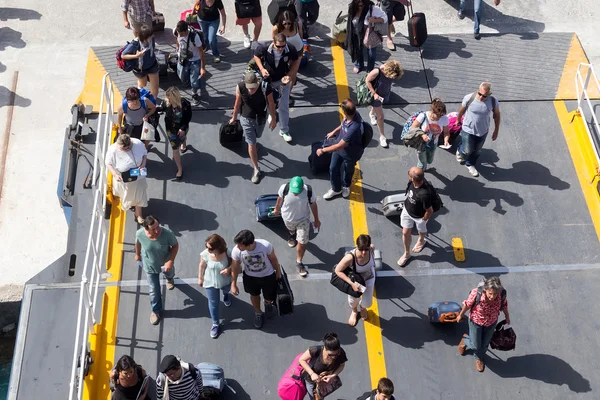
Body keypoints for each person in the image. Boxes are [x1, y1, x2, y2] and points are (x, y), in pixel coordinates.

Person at [230, 72, 277, 184]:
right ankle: (256, 169)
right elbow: (237, 104)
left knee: (258, 135)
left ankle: (254, 146)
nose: (251, 90)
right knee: (251, 143)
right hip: (246, 119)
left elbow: (271, 103)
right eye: (249, 88)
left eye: (253, 88)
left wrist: (273, 118)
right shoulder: (240, 87)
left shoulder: (265, 87)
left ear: (257, 83)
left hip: (260, 118)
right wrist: (234, 118)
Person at [456, 277, 510, 372]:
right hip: (476, 322)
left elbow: (504, 305)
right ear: (486, 290)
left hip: (491, 323)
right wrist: (461, 315)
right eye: (490, 294)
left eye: (495, 294)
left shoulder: (501, 294)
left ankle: (478, 358)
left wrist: (507, 317)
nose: (492, 297)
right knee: (476, 345)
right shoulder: (477, 293)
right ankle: (465, 340)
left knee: (485, 344)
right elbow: (468, 304)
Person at [230, 229, 282, 329]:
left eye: (240, 245)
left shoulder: (265, 246)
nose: (237, 247)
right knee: (254, 295)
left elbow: (274, 259)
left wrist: (278, 272)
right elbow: (235, 267)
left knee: (269, 297)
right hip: (250, 278)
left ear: (249, 244)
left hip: (268, 276)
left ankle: (267, 304)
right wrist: (233, 284)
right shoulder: (237, 251)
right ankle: (258, 313)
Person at [254, 33, 300, 143]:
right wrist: (262, 69)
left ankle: (284, 130)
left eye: (283, 46)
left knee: (284, 106)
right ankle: (271, 113)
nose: (281, 49)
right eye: (278, 46)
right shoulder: (264, 48)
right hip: (268, 81)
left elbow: (296, 60)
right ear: (273, 42)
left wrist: (289, 74)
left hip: (282, 81)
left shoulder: (290, 49)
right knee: (270, 101)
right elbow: (256, 55)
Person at [317, 98, 364, 200]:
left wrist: (322, 150)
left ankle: (346, 186)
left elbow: (340, 146)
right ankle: (336, 189)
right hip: (339, 149)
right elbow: (343, 124)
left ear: (345, 112)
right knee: (333, 168)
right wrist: (334, 131)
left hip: (350, 153)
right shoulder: (351, 116)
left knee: (348, 170)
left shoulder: (354, 128)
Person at [135, 216, 179, 325]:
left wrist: (170, 261)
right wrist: (137, 254)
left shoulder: (167, 233)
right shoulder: (140, 234)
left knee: (170, 274)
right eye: (153, 228)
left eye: (157, 226)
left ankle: (169, 279)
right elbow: (138, 243)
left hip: (165, 264)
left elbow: (175, 246)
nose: (157, 230)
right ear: (146, 228)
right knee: (154, 290)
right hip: (149, 266)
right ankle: (156, 311)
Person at [273, 176, 320, 277]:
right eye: (294, 191)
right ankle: (291, 235)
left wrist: (316, 220)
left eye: (297, 191)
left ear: (303, 187)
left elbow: (313, 205)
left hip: (303, 220)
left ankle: (299, 262)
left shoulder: (308, 191)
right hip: (288, 217)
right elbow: (279, 199)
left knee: (303, 241)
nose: (295, 193)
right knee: (290, 229)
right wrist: (276, 209)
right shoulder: (284, 188)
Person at [455, 82, 501, 177]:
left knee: (477, 151)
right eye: (480, 94)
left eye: (484, 96)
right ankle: (460, 150)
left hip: (483, 131)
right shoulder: (469, 98)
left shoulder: (493, 101)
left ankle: (470, 164)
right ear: (477, 90)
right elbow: (461, 111)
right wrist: (458, 120)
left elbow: (497, 115)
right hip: (468, 129)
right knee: (467, 150)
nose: (481, 97)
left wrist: (496, 130)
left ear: (489, 94)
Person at [105, 134, 148, 225]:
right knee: (126, 195)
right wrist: (115, 175)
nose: (125, 150)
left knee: (139, 194)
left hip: (138, 177)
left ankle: (138, 214)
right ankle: (131, 205)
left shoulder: (138, 143)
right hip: (123, 180)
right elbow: (108, 164)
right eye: (122, 149)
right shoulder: (112, 150)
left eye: (127, 148)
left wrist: (143, 163)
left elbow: (144, 154)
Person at [334, 234, 376, 326]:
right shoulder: (350, 257)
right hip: (355, 281)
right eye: (361, 249)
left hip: (369, 278)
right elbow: (337, 271)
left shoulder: (372, 249)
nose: (364, 252)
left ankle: (362, 307)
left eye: (366, 249)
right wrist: (351, 284)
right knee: (353, 300)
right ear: (357, 246)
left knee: (368, 303)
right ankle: (354, 311)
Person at [198, 234, 233, 338]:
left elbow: (236, 264)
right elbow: (202, 265)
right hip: (210, 282)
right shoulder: (205, 254)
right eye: (207, 247)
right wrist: (200, 278)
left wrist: (229, 268)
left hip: (225, 281)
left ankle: (226, 295)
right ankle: (215, 323)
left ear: (219, 246)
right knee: (213, 303)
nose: (208, 250)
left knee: (226, 290)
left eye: (211, 248)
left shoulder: (228, 252)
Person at [397, 167, 432, 267]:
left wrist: (423, 219)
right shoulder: (412, 182)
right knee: (405, 232)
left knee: (421, 230)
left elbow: (429, 210)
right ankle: (407, 253)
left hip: (419, 216)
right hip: (407, 211)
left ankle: (421, 240)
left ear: (413, 178)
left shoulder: (424, 194)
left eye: (409, 174)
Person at [366, 60, 404, 147]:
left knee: (378, 108)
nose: (393, 78)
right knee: (381, 116)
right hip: (376, 96)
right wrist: (374, 94)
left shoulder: (392, 72)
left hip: (385, 93)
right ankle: (382, 136)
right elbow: (367, 80)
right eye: (392, 76)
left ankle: (371, 113)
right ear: (388, 71)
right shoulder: (377, 71)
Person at [298, 332, 347, 400]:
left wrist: (332, 376)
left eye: (336, 354)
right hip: (311, 380)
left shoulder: (340, 353)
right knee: (314, 397)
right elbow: (301, 360)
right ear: (325, 348)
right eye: (331, 355)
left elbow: (342, 365)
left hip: (324, 381)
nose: (334, 357)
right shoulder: (315, 350)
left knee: (320, 397)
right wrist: (312, 374)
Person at [158, 86, 192, 181]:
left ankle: (184, 143)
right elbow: (162, 108)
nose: (168, 100)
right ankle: (180, 168)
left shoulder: (184, 103)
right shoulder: (166, 102)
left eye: (170, 98)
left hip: (181, 128)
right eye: (167, 98)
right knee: (175, 149)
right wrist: (154, 110)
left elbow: (188, 117)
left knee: (182, 137)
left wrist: (183, 128)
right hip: (171, 130)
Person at [345, 0, 386, 73]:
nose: (360, 7)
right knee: (357, 49)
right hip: (356, 33)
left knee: (371, 52)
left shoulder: (372, 8)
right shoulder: (352, 8)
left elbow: (384, 18)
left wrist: (373, 20)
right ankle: (358, 65)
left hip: (369, 34)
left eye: (362, 5)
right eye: (358, 5)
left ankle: (370, 69)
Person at [410, 98, 450, 170]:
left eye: (441, 115)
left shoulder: (444, 119)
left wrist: (446, 140)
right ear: (432, 111)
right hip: (421, 143)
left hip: (433, 143)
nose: (439, 117)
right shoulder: (423, 116)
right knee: (422, 163)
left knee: (429, 160)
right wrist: (423, 135)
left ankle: (425, 163)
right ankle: (421, 172)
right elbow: (413, 127)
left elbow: (446, 132)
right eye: (437, 115)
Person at [120, 25, 159, 98]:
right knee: (143, 84)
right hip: (140, 69)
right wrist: (137, 56)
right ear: (145, 37)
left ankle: (153, 103)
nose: (153, 36)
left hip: (152, 65)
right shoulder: (134, 44)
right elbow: (123, 55)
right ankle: (140, 91)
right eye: (151, 35)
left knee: (155, 89)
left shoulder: (151, 39)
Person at [174, 20, 206, 106]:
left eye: (180, 33)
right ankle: (191, 84)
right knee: (182, 77)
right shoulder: (177, 32)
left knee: (194, 81)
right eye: (178, 32)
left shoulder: (194, 37)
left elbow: (201, 52)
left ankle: (194, 93)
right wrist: (177, 47)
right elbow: (177, 39)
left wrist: (202, 68)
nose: (179, 34)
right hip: (183, 59)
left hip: (195, 61)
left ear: (185, 31)